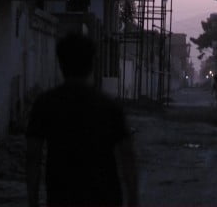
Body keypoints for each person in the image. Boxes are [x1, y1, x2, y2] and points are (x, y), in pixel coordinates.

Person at [26, 33, 139, 207]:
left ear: (60, 63)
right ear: (92, 64)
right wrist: (133, 199)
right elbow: (127, 156)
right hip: (105, 196)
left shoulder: (45, 104)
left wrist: (33, 201)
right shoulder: (109, 107)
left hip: (61, 196)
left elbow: (33, 156)